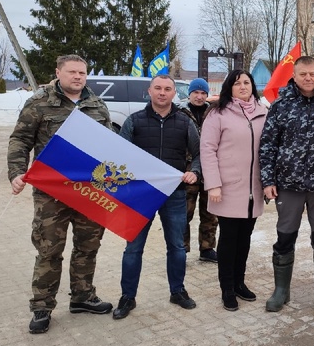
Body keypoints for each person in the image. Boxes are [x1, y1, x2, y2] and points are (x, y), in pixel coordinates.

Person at [8, 54, 114, 334]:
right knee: (49, 250)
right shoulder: (39, 103)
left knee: (88, 247)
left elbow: (108, 146)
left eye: (82, 72)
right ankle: (42, 307)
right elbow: (20, 139)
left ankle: (82, 297)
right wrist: (16, 172)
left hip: (89, 192)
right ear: (58, 73)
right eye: (72, 72)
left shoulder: (97, 105)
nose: (78, 77)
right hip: (51, 194)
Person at [259, 56, 314, 313]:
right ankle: (281, 291)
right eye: (303, 74)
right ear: (294, 76)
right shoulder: (280, 106)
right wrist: (267, 180)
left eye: (312, 74)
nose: (308, 78)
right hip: (289, 185)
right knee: (285, 238)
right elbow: (267, 145)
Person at [112, 75, 201, 319]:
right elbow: (119, 154)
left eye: (168, 89)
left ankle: (178, 291)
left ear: (174, 93)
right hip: (141, 195)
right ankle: (127, 297)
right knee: (133, 249)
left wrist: (194, 172)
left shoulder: (184, 122)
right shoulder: (134, 121)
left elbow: (199, 152)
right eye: (158, 88)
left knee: (177, 247)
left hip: (174, 194)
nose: (162, 93)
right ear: (149, 91)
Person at [200, 70, 268, 311]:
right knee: (228, 242)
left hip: (254, 190)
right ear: (229, 87)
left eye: (247, 82)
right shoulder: (217, 114)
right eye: (237, 83)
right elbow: (207, 150)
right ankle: (227, 289)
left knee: (245, 241)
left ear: (253, 86)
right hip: (227, 189)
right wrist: (213, 184)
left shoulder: (262, 113)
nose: (242, 86)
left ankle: (239, 282)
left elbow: (268, 150)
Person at [180, 77, 220, 263]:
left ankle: (207, 248)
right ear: (189, 94)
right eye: (196, 92)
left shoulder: (213, 112)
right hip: (187, 170)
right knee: (184, 212)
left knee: (210, 212)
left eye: (203, 93)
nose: (199, 96)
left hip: (210, 169)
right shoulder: (180, 113)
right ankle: (181, 248)